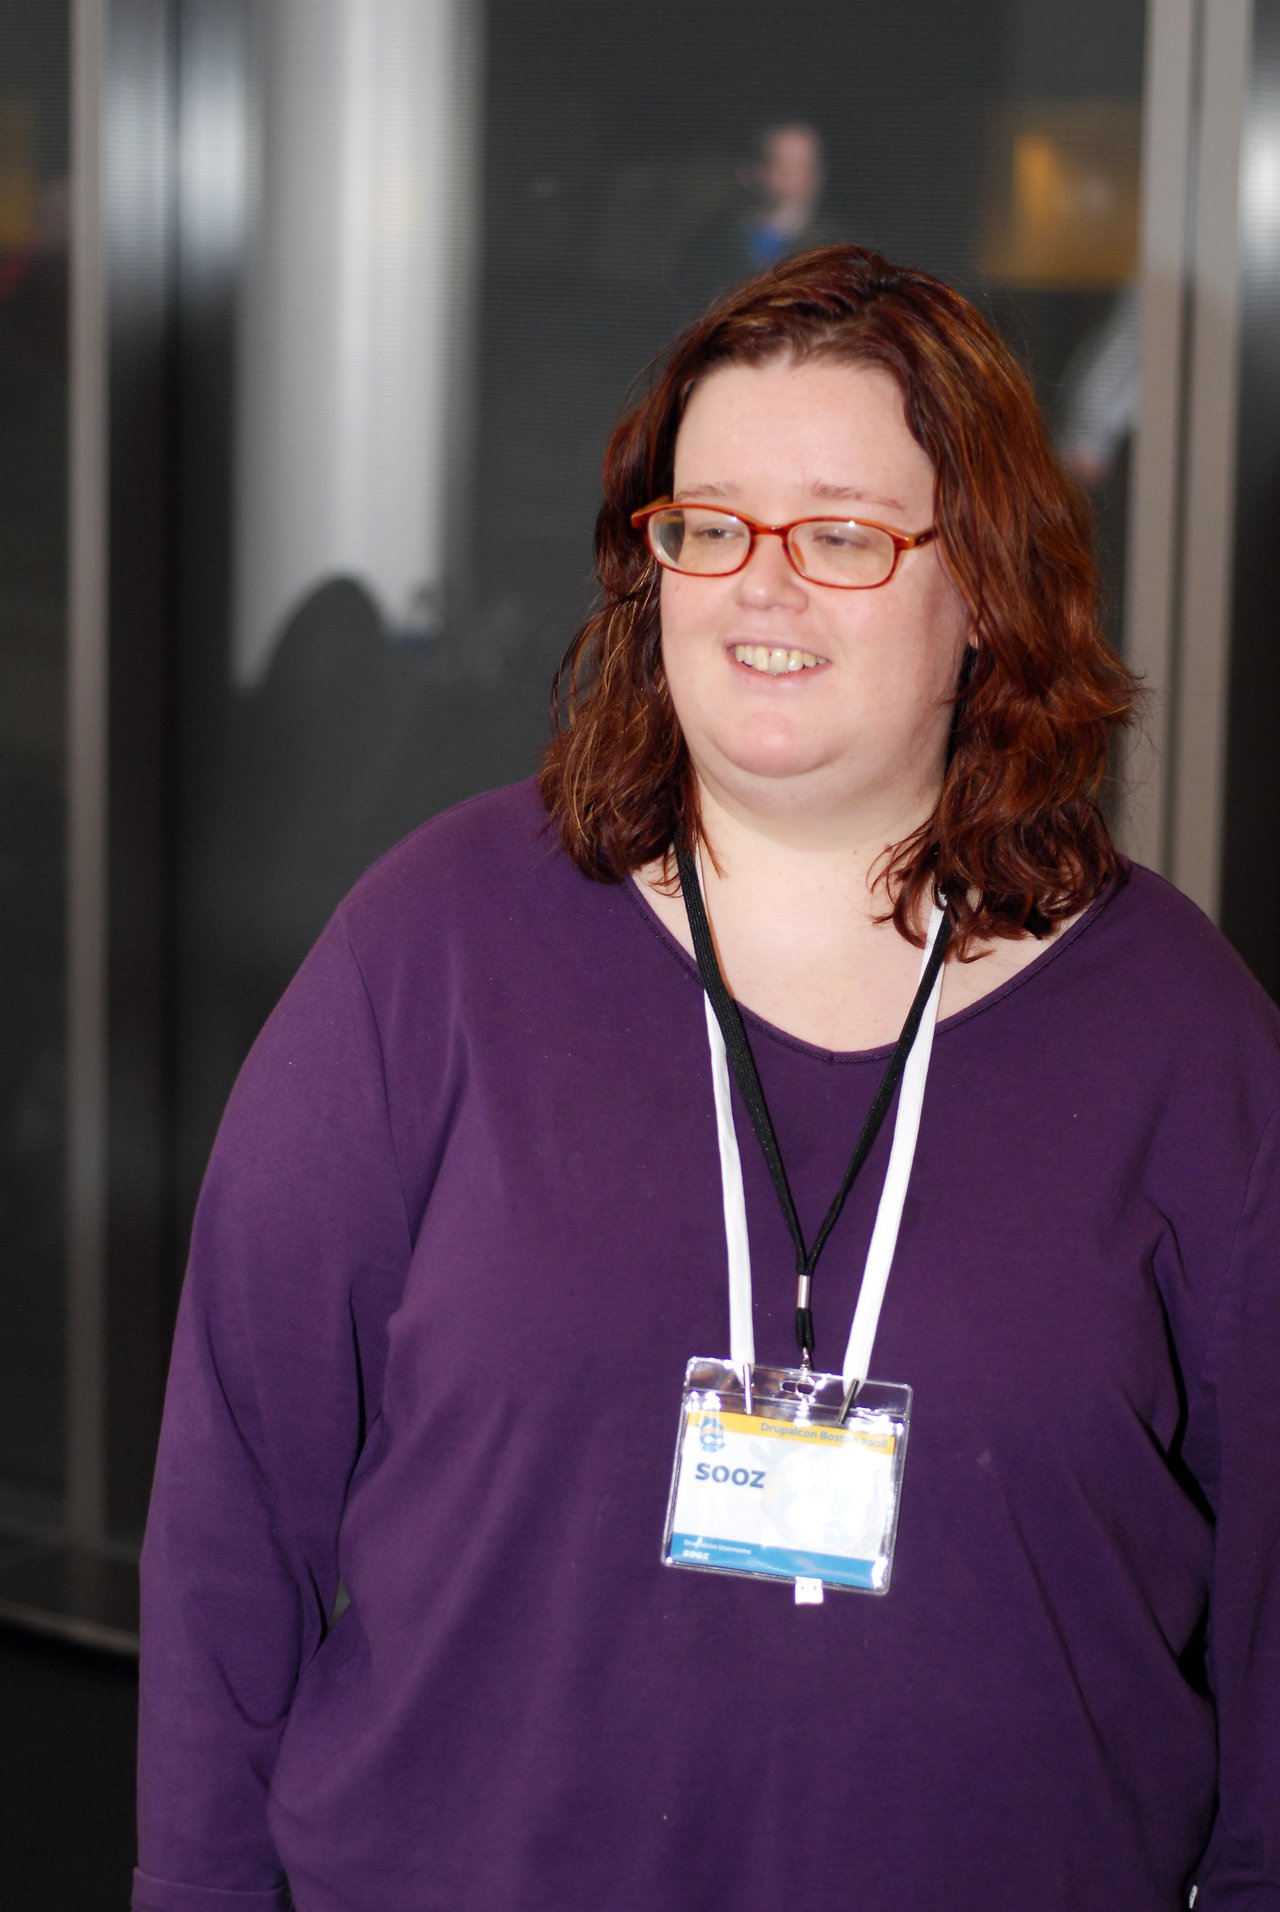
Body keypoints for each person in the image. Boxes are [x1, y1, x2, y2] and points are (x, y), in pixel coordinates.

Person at [134, 245, 1280, 1911]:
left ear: (989, 589)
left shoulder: (1181, 1036)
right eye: (711, 526)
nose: (761, 587)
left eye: (842, 534)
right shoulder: (434, 951)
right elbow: (235, 1516)